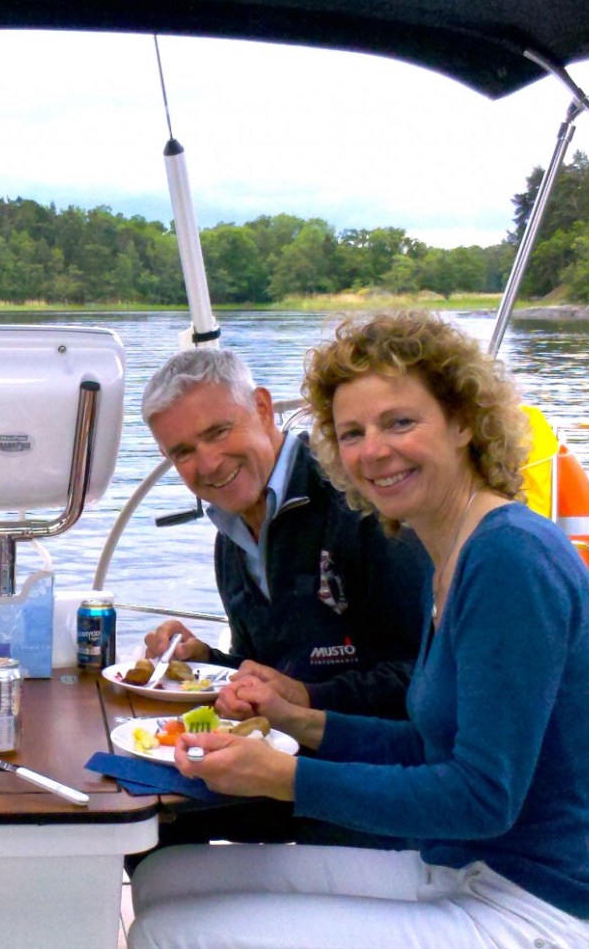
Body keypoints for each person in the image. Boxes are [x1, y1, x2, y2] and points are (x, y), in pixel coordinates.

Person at [128, 312, 589, 949]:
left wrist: (286, 778)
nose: (374, 451)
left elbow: (481, 798)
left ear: (462, 421)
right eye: (352, 433)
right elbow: (428, 745)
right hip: (470, 870)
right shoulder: (454, 551)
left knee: (166, 947)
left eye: (400, 422)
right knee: (165, 878)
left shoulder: (510, 558)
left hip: (550, 926)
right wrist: (298, 721)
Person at [133, 347, 430, 854]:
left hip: (375, 786)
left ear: (263, 408)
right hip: (289, 761)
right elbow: (270, 671)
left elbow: (418, 678)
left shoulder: (360, 499)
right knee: (141, 811)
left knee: (150, 817)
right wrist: (206, 661)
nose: (208, 463)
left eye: (218, 432)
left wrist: (306, 698)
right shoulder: (230, 535)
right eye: (182, 452)